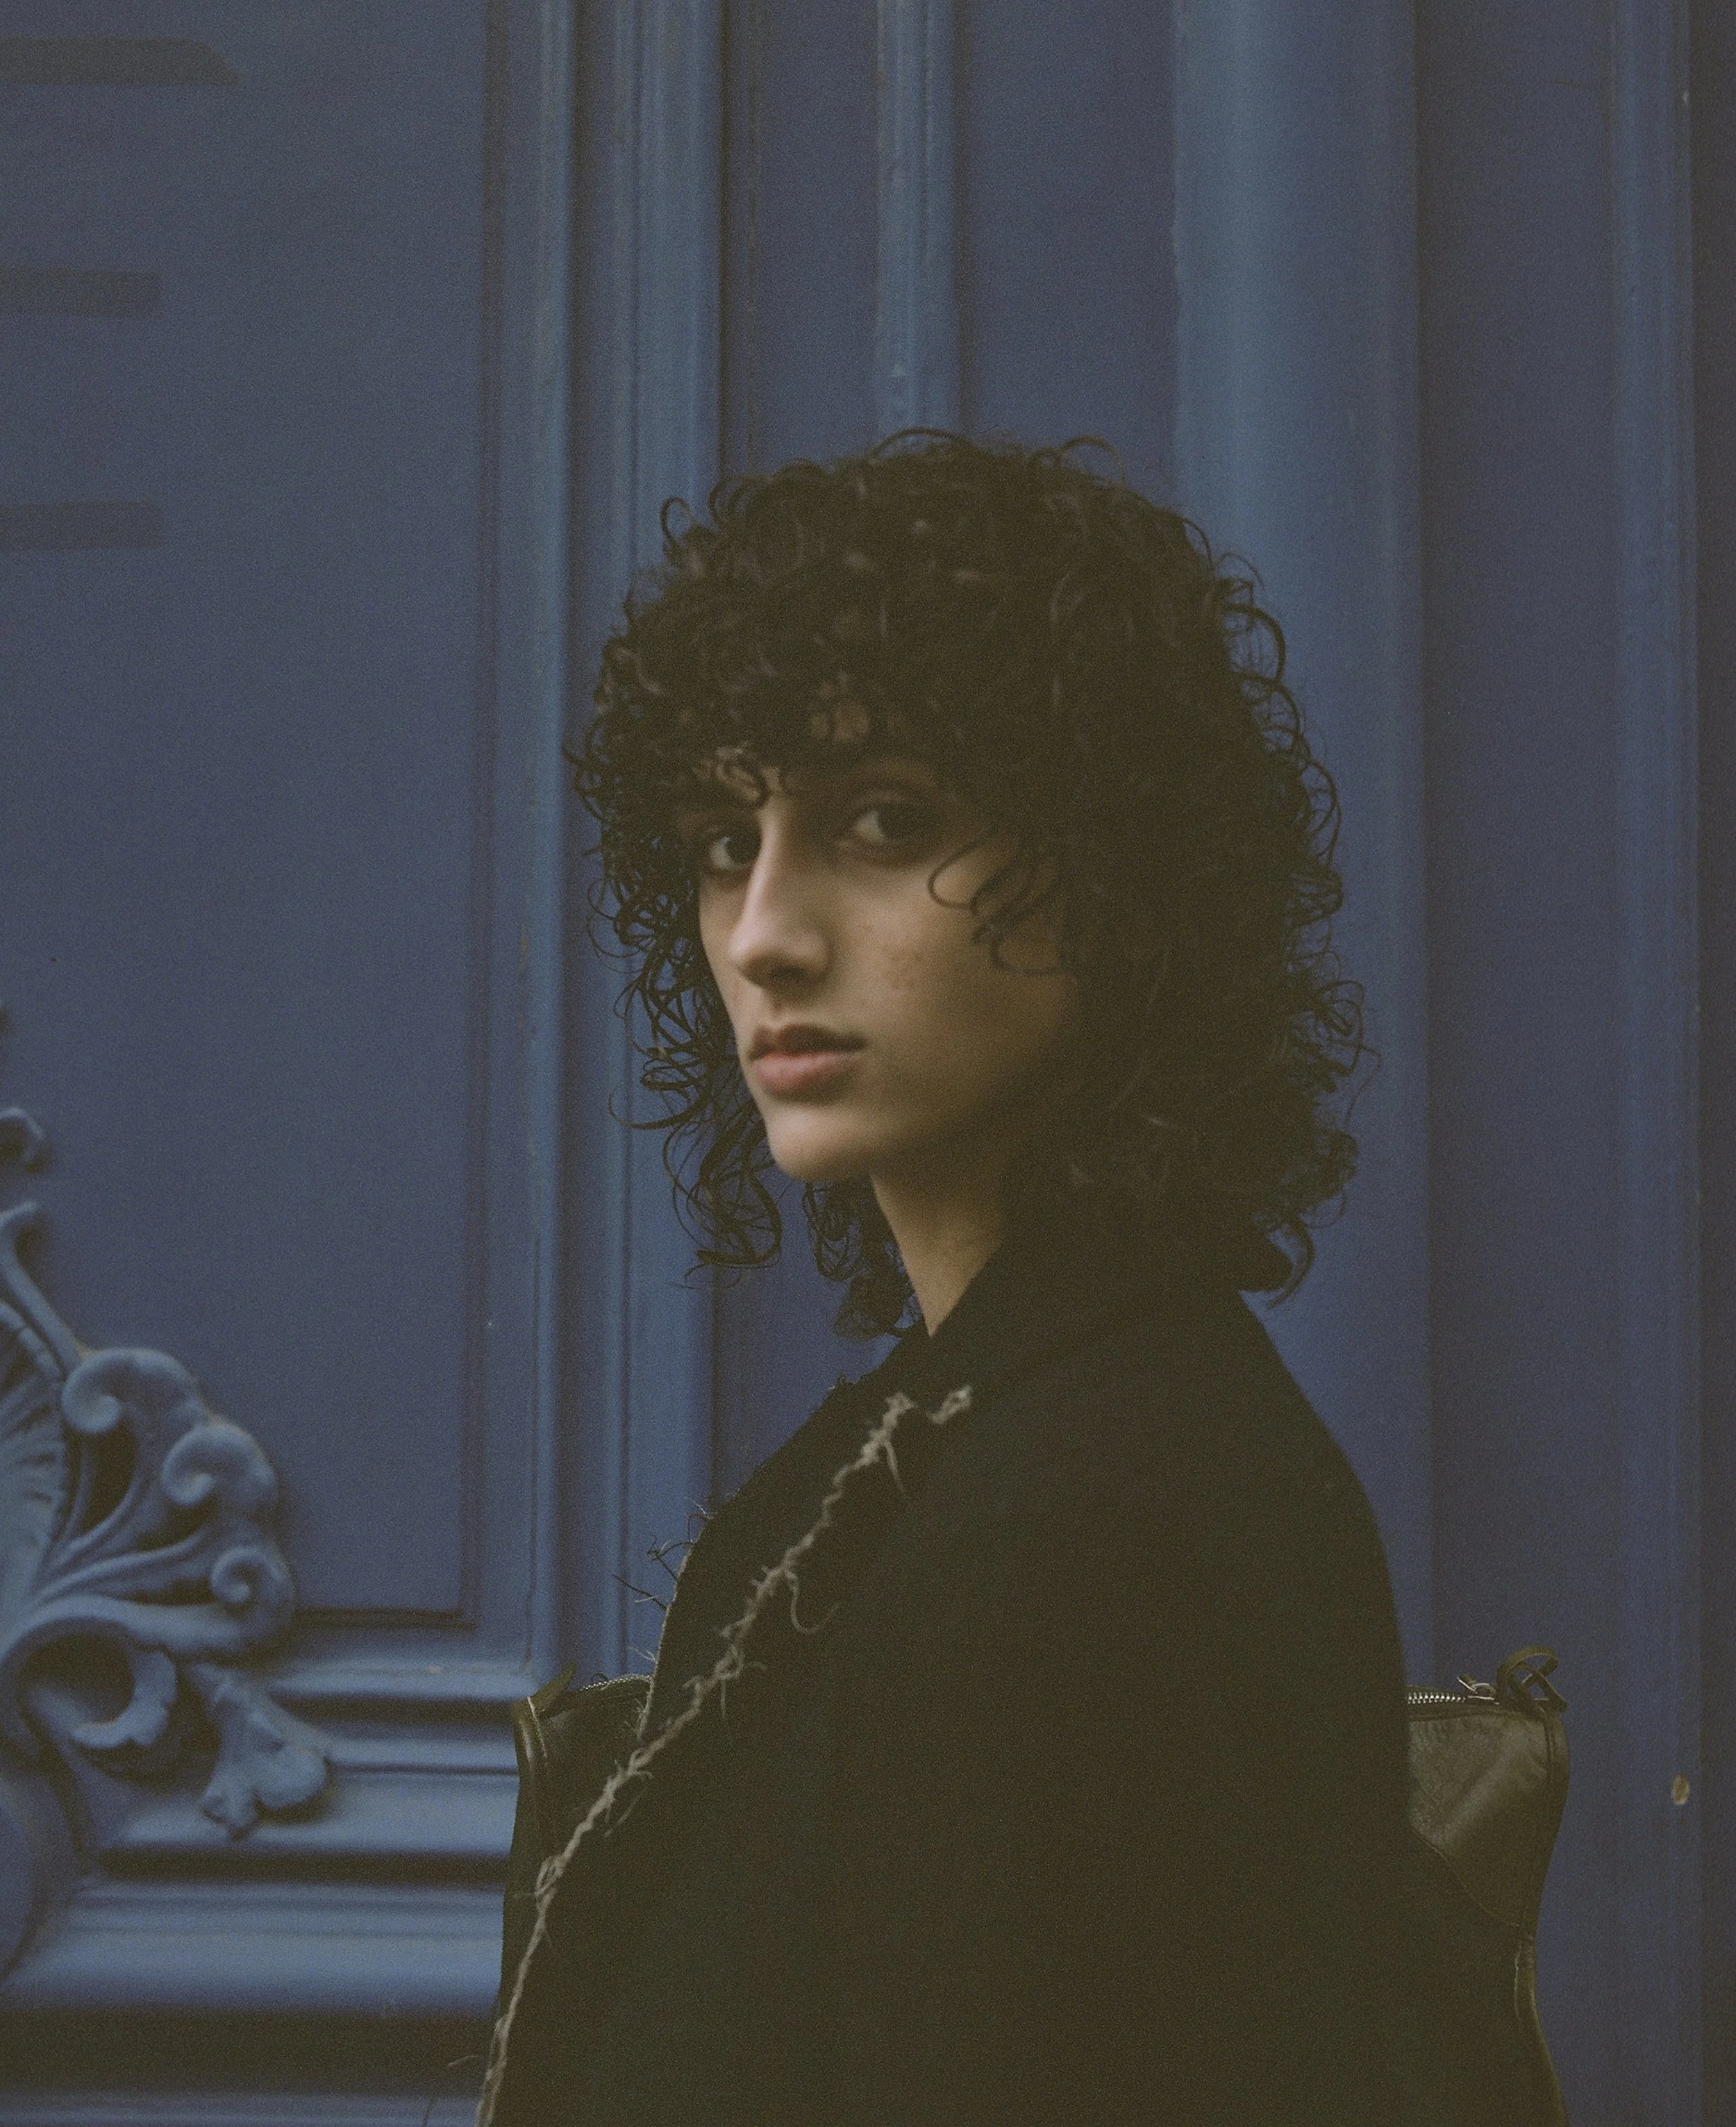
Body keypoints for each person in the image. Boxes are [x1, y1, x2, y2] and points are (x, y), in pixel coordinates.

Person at [478, 431, 1412, 2126]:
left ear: (1121, 884)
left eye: (882, 819)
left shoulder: (1083, 1520)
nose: (762, 932)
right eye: (722, 837)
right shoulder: (982, 1440)